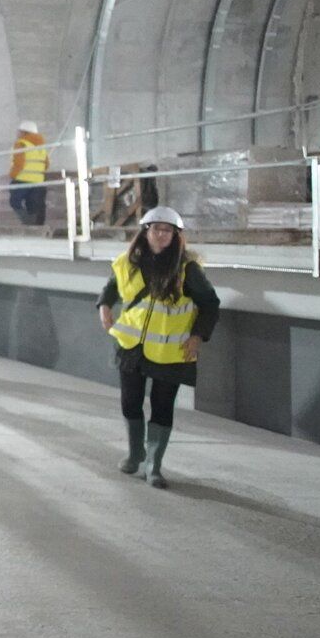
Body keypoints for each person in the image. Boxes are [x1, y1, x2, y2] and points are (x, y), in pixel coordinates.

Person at [98, 206, 220, 488]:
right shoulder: (128, 262)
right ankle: (135, 453)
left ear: (176, 236)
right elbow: (112, 286)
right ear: (145, 231)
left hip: (170, 350)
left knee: (162, 406)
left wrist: (198, 336)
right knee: (130, 402)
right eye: (157, 229)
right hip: (131, 345)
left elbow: (210, 304)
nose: (162, 235)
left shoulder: (187, 269)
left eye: (168, 230)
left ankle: (154, 465)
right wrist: (104, 305)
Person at [9, 119, 49, 226]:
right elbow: (46, 164)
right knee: (33, 205)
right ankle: (36, 226)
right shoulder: (41, 147)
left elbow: (19, 163)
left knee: (14, 202)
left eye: (19, 131)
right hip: (38, 181)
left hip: (22, 179)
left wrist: (12, 176)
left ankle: (28, 223)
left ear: (24, 132)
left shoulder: (21, 144)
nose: (17, 134)